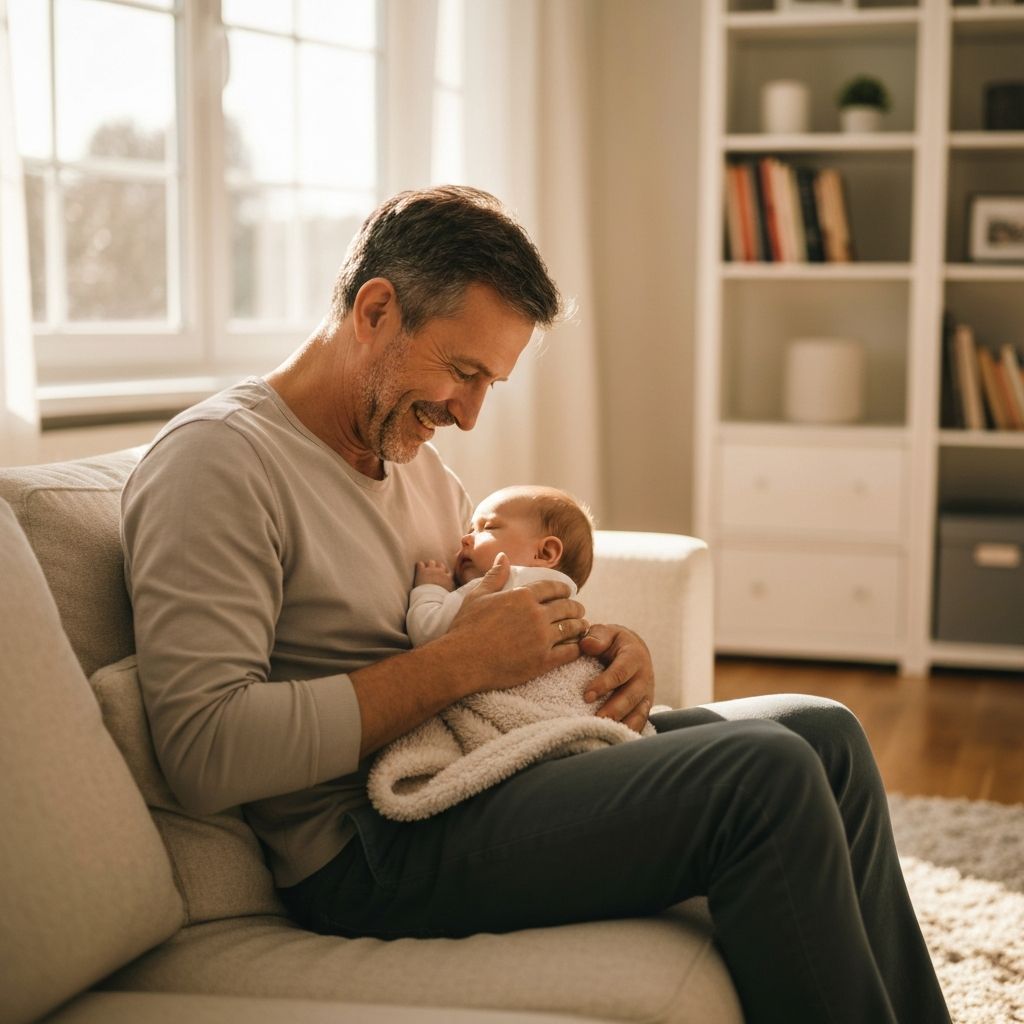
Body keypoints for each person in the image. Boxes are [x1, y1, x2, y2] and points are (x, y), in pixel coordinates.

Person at [122, 185, 950, 1024]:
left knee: (822, 732)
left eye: (491, 383)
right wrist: (459, 664)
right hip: (375, 839)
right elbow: (204, 749)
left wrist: (599, 650)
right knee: (761, 777)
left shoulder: (417, 467)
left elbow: (486, 620)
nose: (470, 416)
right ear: (376, 311)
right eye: (463, 372)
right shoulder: (219, 463)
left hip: (485, 764)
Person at [406, 484, 594, 648]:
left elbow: (426, 632)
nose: (465, 538)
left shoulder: (497, 588)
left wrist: (431, 588)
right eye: (471, 530)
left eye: (488, 527)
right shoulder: (571, 613)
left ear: (545, 553)